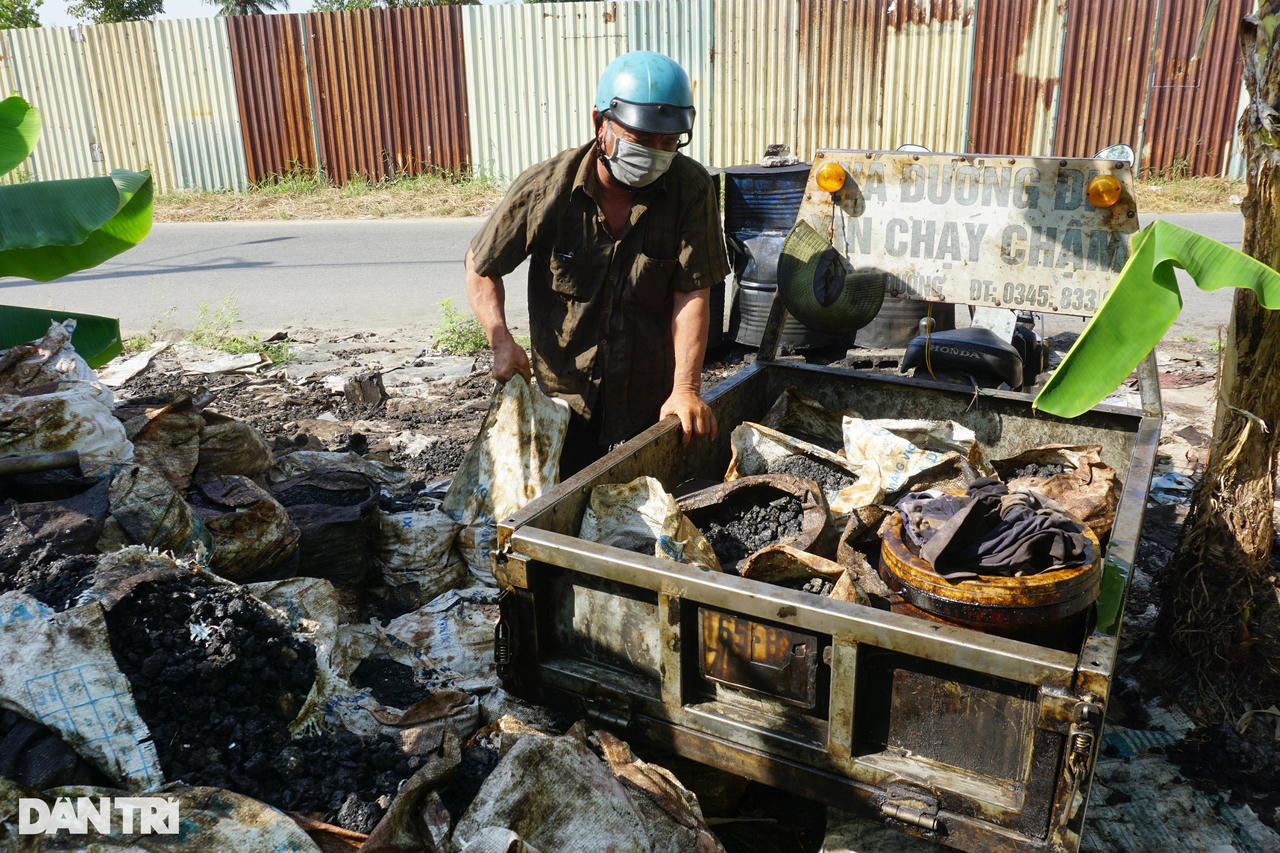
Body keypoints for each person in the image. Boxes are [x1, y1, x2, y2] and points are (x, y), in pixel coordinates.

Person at [464, 50, 730, 476]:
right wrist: (500, 340)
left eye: (669, 142)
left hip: (650, 402)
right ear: (599, 124)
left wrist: (686, 388)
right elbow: (481, 265)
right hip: (564, 404)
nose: (657, 153)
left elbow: (693, 290)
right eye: (642, 140)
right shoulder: (545, 188)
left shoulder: (690, 188)